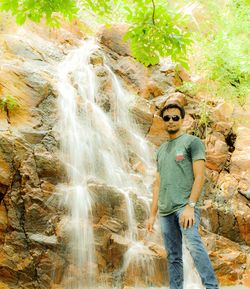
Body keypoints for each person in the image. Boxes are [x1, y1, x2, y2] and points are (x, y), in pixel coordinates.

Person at [146, 102, 219, 289]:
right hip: (165, 211)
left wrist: (190, 206)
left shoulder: (192, 142)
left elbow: (200, 176)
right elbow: (157, 185)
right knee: (173, 256)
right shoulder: (161, 150)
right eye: (167, 118)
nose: (171, 121)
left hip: (184, 207)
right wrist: (152, 215)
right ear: (163, 121)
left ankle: (211, 286)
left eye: (175, 117)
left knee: (194, 246)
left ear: (182, 120)